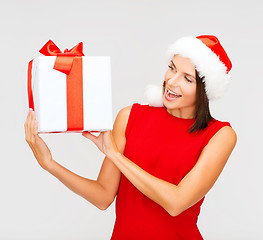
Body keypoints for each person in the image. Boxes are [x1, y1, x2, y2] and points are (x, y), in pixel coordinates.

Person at [24, 35, 237, 240]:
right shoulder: (130, 117)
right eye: (172, 68)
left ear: (205, 90)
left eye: (187, 78)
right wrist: (49, 164)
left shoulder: (220, 135)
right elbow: (103, 197)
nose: (172, 81)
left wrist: (116, 156)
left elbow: (176, 203)